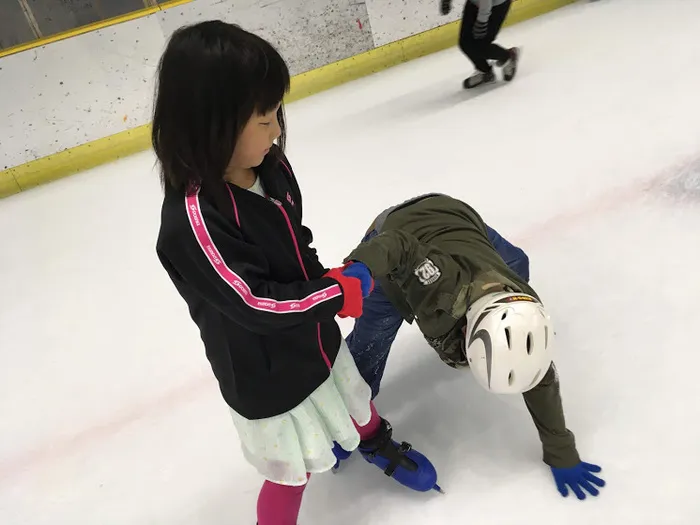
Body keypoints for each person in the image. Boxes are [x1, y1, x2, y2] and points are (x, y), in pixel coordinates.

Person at [152, 21, 438, 525]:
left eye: (276, 114)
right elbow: (254, 303)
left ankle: (375, 442)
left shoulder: (272, 166)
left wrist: (325, 278)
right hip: (264, 371)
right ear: (210, 125)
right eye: (262, 120)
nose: (277, 130)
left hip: (312, 333)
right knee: (291, 471)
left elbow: (294, 236)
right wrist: (332, 294)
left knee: (351, 394)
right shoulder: (193, 221)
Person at [335, 193, 606, 501]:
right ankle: (342, 415)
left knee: (517, 262)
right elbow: (398, 246)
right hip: (395, 238)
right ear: (465, 332)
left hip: (458, 219)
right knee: (370, 345)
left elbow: (539, 378)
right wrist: (361, 268)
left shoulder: (526, 310)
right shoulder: (440, 284)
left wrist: (561, 451)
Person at [440, 0, 520, 88]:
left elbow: (486, 3)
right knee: (465, 43)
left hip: (496, 6)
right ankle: (484, 71)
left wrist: (481, 22)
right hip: (475, 3)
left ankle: (508, 56)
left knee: (481, 46)